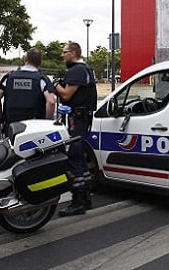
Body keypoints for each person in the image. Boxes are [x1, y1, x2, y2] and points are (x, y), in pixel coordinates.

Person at [54, 41, 97, 216]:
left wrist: (55, 84)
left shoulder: (77, 71)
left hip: (77, 120)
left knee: (73, 158)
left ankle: (78, 201)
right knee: (80, 158)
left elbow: (66, 94)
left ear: (73, 53)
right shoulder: (86, 69)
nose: (62, 55)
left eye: (65, 52)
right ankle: (86, 199)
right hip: (82, 119)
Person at [0, 47, 56, 135]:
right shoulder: (42, 79)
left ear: (25, 59)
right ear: (40, 62)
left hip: (11, 127)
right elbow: (51, 102)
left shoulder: (9, 77)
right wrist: (47, 123)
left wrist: (0, 118)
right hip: (34, 128)